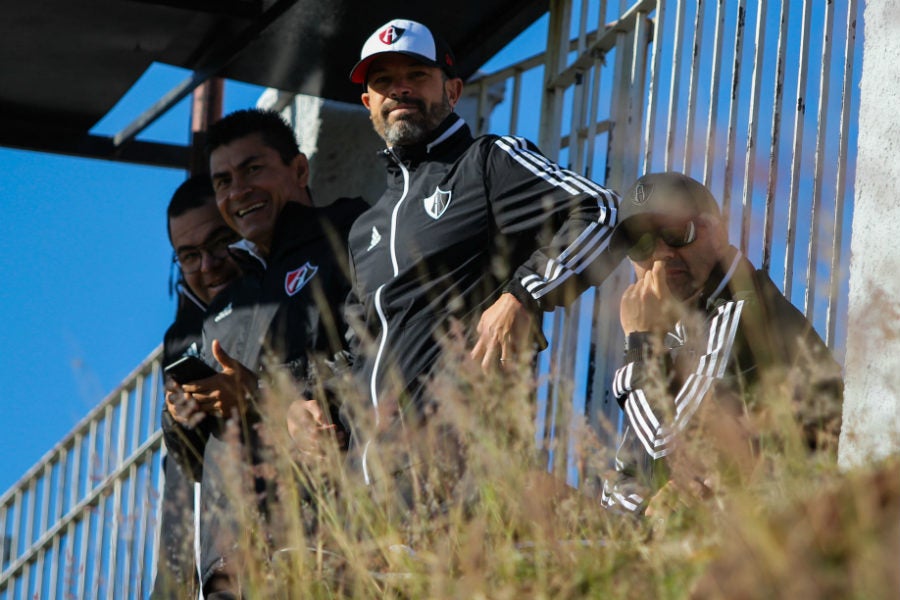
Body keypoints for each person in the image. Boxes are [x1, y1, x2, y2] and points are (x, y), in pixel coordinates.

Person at [344, 19, 623, 490]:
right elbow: (355, 349)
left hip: (463, 465)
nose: (401, 90)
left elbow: (601, 211)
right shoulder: (365, 228)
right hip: (367, 493)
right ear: (369, 103)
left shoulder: (489, 161)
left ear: (452, 91)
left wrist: (522, 296)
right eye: (384, 82)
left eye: (417, 75)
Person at [164, 108, 367, 597]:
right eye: (224, 181)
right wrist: (182, 417)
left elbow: (385, 359)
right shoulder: (228, 303)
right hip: (232, 567)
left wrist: (266, 396)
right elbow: (191, 464)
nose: (238, 192)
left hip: (328, 542)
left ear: (299, 170)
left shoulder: (355, 234)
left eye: (253, 170)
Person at [600, 172, 843, 515]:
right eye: (640, 245)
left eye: (676, 232)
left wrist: (641, 346)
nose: (661, 255)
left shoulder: (745, 310)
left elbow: (661, 446)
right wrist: (645, 513)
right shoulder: (679, 329)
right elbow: (622, 482)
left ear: (717, 232)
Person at [152, 175, 241, 599]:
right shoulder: (179, 338)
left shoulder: (288, 294)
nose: (208, 265)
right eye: (189, 256)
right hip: (205, 574)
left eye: (220, 242)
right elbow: (181, 472)